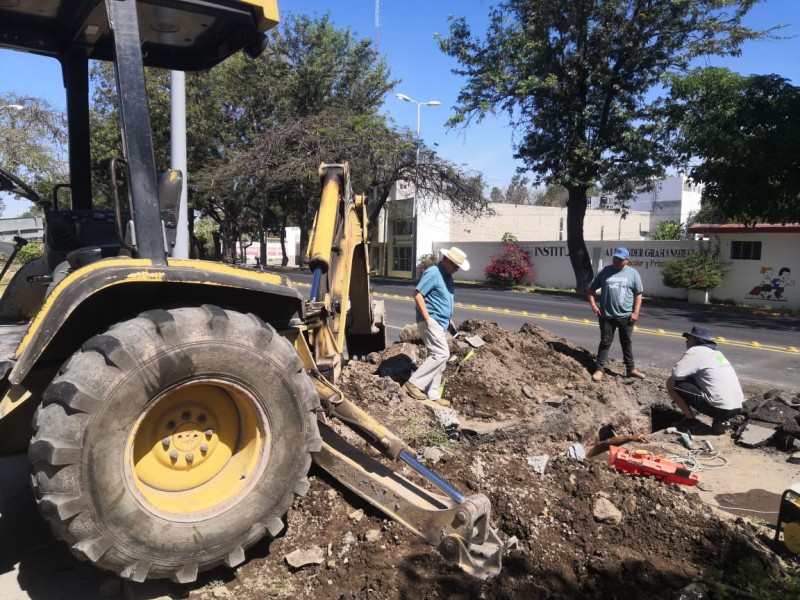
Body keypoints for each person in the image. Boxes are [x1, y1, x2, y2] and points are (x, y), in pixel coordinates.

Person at [403, 246, 469, 406]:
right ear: (446, 260)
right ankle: (414, 383)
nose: (456, 269)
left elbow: (443, 299)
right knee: (441, 354)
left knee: (437, 357)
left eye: (457, 267)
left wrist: (449, 319)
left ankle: (432, 394)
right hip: (431, 321)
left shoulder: (447, 275)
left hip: (441, 322)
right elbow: (417, 294)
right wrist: (427, 318)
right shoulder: (434, 272)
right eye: (454, 265)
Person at [666, 325, 744, 435]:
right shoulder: (717, 354)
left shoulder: (696, 351)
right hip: (736, 408)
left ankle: (691, 422)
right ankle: (720, 420)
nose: (686, 342)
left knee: (671, 382)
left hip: (720, 408)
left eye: (689, 339)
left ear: (697, 340)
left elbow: (677, 374)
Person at [587, 247, 645, 381]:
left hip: (626, 316)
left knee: (626, 342)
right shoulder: (605, 271)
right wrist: (594, 306)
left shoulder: (633, 273)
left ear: (627, 260)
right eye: (615, 258)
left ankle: (631, 369)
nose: (616, 260)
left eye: (620, 259)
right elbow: (591, 289)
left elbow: (638, 294)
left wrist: (635, 313)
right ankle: (599, 369)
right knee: (605, 342)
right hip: (606, 316)